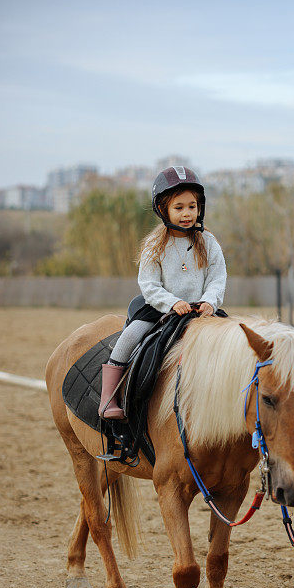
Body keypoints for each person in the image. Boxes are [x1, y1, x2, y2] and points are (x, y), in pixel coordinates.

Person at [98, 166, 227, 419]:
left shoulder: (209, 242)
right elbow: (149, 285)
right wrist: (172, 303)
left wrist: (210, 301)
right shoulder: (155, 244)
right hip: (160, 310)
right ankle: (109, 398)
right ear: (163, 209)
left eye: (192, 206)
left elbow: (217, 278)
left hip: (200, 311)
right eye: (179, 207)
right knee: (129, 337)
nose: (187, 213)